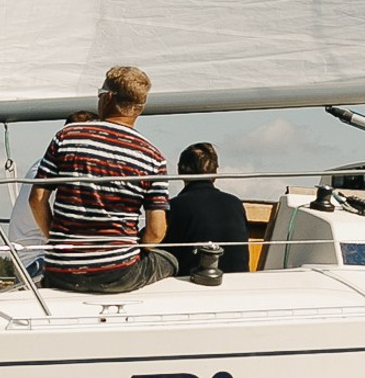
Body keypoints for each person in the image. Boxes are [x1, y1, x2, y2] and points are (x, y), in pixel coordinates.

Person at [29, 65, 178, 295]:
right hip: (118, 274)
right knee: (170, 261)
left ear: (107, 97)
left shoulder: (66, 136)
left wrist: (58, 242)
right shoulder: (153, 158)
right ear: (140, 107)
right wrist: (134, 248)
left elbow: (37, 199)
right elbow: (156, 233)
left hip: (61, 271)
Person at [166, 143, 253, 275]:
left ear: (180, 171)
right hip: (238, 281)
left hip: (192, 281)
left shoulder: (175, 206)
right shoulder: (235, 203)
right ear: (215, 172)